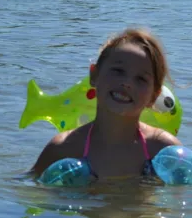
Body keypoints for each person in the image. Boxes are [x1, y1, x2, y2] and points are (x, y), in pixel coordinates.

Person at [31, 28, 182, 181]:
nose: (127, 83)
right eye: (118, 71)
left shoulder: (162, 150)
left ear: (153, 96)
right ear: (94, 75)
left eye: (141, 79)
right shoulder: (64, 148)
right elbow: (32, 191)